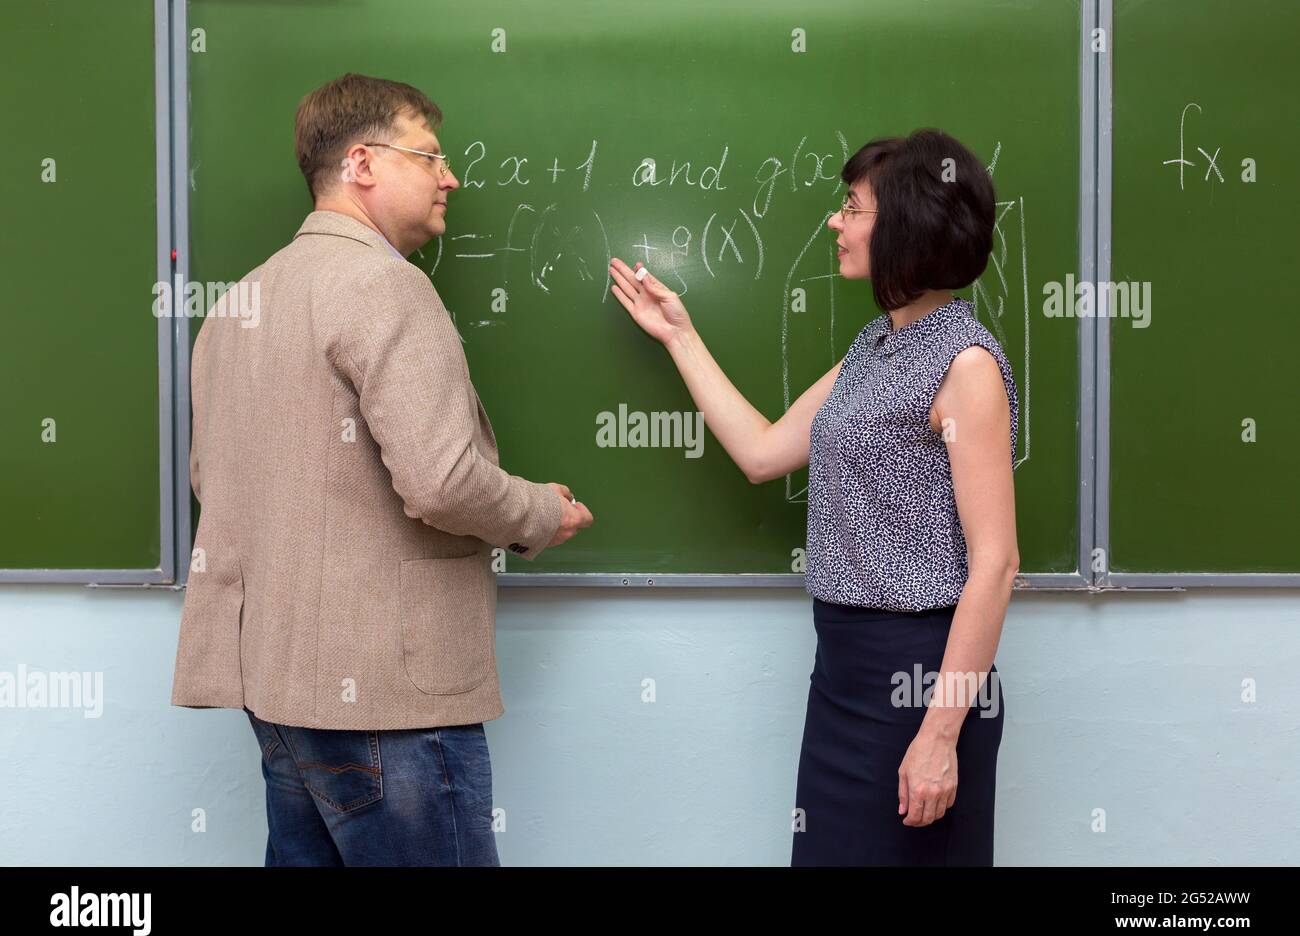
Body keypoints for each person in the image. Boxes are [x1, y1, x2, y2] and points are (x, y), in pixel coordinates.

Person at [171, 73, 593, 866]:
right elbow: (441, 482)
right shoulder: (388, 288)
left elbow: (212, 483)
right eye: (429, 156)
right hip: (387, 699)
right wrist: (542, 513)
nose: (450, 178)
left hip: (276, 683)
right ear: (362, 164)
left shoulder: (237, 306)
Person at [608, 128, 1018, 865]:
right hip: (843, 676)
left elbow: (995, 564)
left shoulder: (965, 365)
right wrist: (679, 336)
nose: (836, 222)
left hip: (918, 682)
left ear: (905, 227)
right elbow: (764, 452)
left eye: (852, 208)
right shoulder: (874, 347)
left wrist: (938, 735)